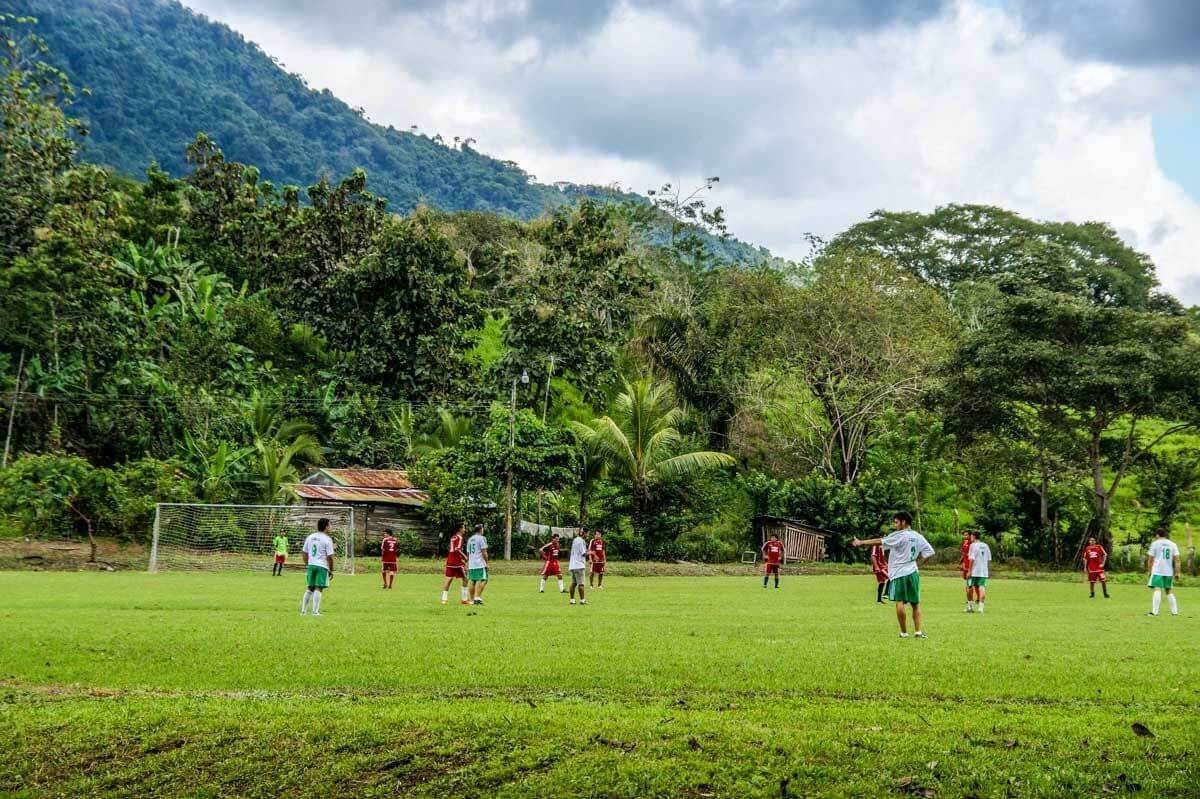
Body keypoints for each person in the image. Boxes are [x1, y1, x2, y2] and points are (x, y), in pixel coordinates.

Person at [852, 511, 935, 639]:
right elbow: (929, 553)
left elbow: (880, 541)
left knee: (899, 601)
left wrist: (861, 542)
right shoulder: (918, 536)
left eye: (896, 522)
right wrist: (917, 564)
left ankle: (904, 632)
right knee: (915, 603)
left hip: (899, 573)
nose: (895, 525)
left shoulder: (899, 535)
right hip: (913, 572)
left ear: (903, 522)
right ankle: (918, 632)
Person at [300, 518, 336, 617]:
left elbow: (304, 552)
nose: (331, 527)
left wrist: (307, 564)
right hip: (322, 566)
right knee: (318, 588)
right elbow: (330, 557)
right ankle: (315, 612)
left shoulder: (310, 537)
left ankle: (303, 611)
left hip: (311, 565)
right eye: (330, 525)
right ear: (326, 526)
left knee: (309, 588)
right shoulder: (327, 539)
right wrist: (331, 570)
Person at [1146, 527, 1181, 617]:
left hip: (1158, 570)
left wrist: (1149, 571)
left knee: (1157, 588)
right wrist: (1177, 572)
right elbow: (1177, 560)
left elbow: (1150, 560)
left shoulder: (1155, 544)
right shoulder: (1173, 544)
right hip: (1168, 571)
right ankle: (1175, 612)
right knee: (1168, 590)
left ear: (1157, 535)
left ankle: (1154, 612)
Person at [441, 522, 470, 605]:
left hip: (450, 560)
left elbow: (452, 548)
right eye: (464, 528)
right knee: (465, 578)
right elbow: (457, 549)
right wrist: (465, 557)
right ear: (460, 529)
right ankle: (464, 600)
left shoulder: (453, 537)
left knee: (448, 579)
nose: (464, 529)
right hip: (457, 561)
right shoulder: (460, 537)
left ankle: (444, 599)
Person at [966, 530, 991, 613]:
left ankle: (970, 607)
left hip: (974, 571)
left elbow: (972, 559)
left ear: (973, 536)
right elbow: (989, 559)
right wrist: (986, 570)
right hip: (983, 571)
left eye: (971, 536)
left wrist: (969, 571)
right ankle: (981, 607)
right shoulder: (986, 545)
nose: (970, 538)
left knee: (969, 587)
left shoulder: (973, 545)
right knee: (982, 587)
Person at [466, 523, 489, 605]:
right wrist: (487, 563)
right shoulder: (481, 538)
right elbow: (484, 552)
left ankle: (472, 599)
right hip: (479, 563)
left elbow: (468, 553)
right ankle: (477, 597)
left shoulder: (470, 539)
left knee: (472, 580)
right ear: (480, 529)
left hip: (471, 563)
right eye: (482, 528)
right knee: (484, 579)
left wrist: (468, 562)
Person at [568, 528, 588, 605]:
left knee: (573, 583)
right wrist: (592, 553)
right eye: (587, 533)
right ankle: (582, 600)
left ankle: (572, 600)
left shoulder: (575, 540)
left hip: (572, 565)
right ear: (584, 533)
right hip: (579, 565)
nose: (587, 535)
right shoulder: (581, 541)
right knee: (581, 584)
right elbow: (583, 553)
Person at [960, 530, 972, 612]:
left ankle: (970, 604)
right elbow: (963, 554)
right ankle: (970, 601)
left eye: (966, 535)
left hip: (970, 565)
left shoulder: (972, 543)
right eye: (964, 535)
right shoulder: (964, 542)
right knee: (968, 583)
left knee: (969, 584)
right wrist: (961, 562)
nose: (965, 536)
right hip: (965, 564)